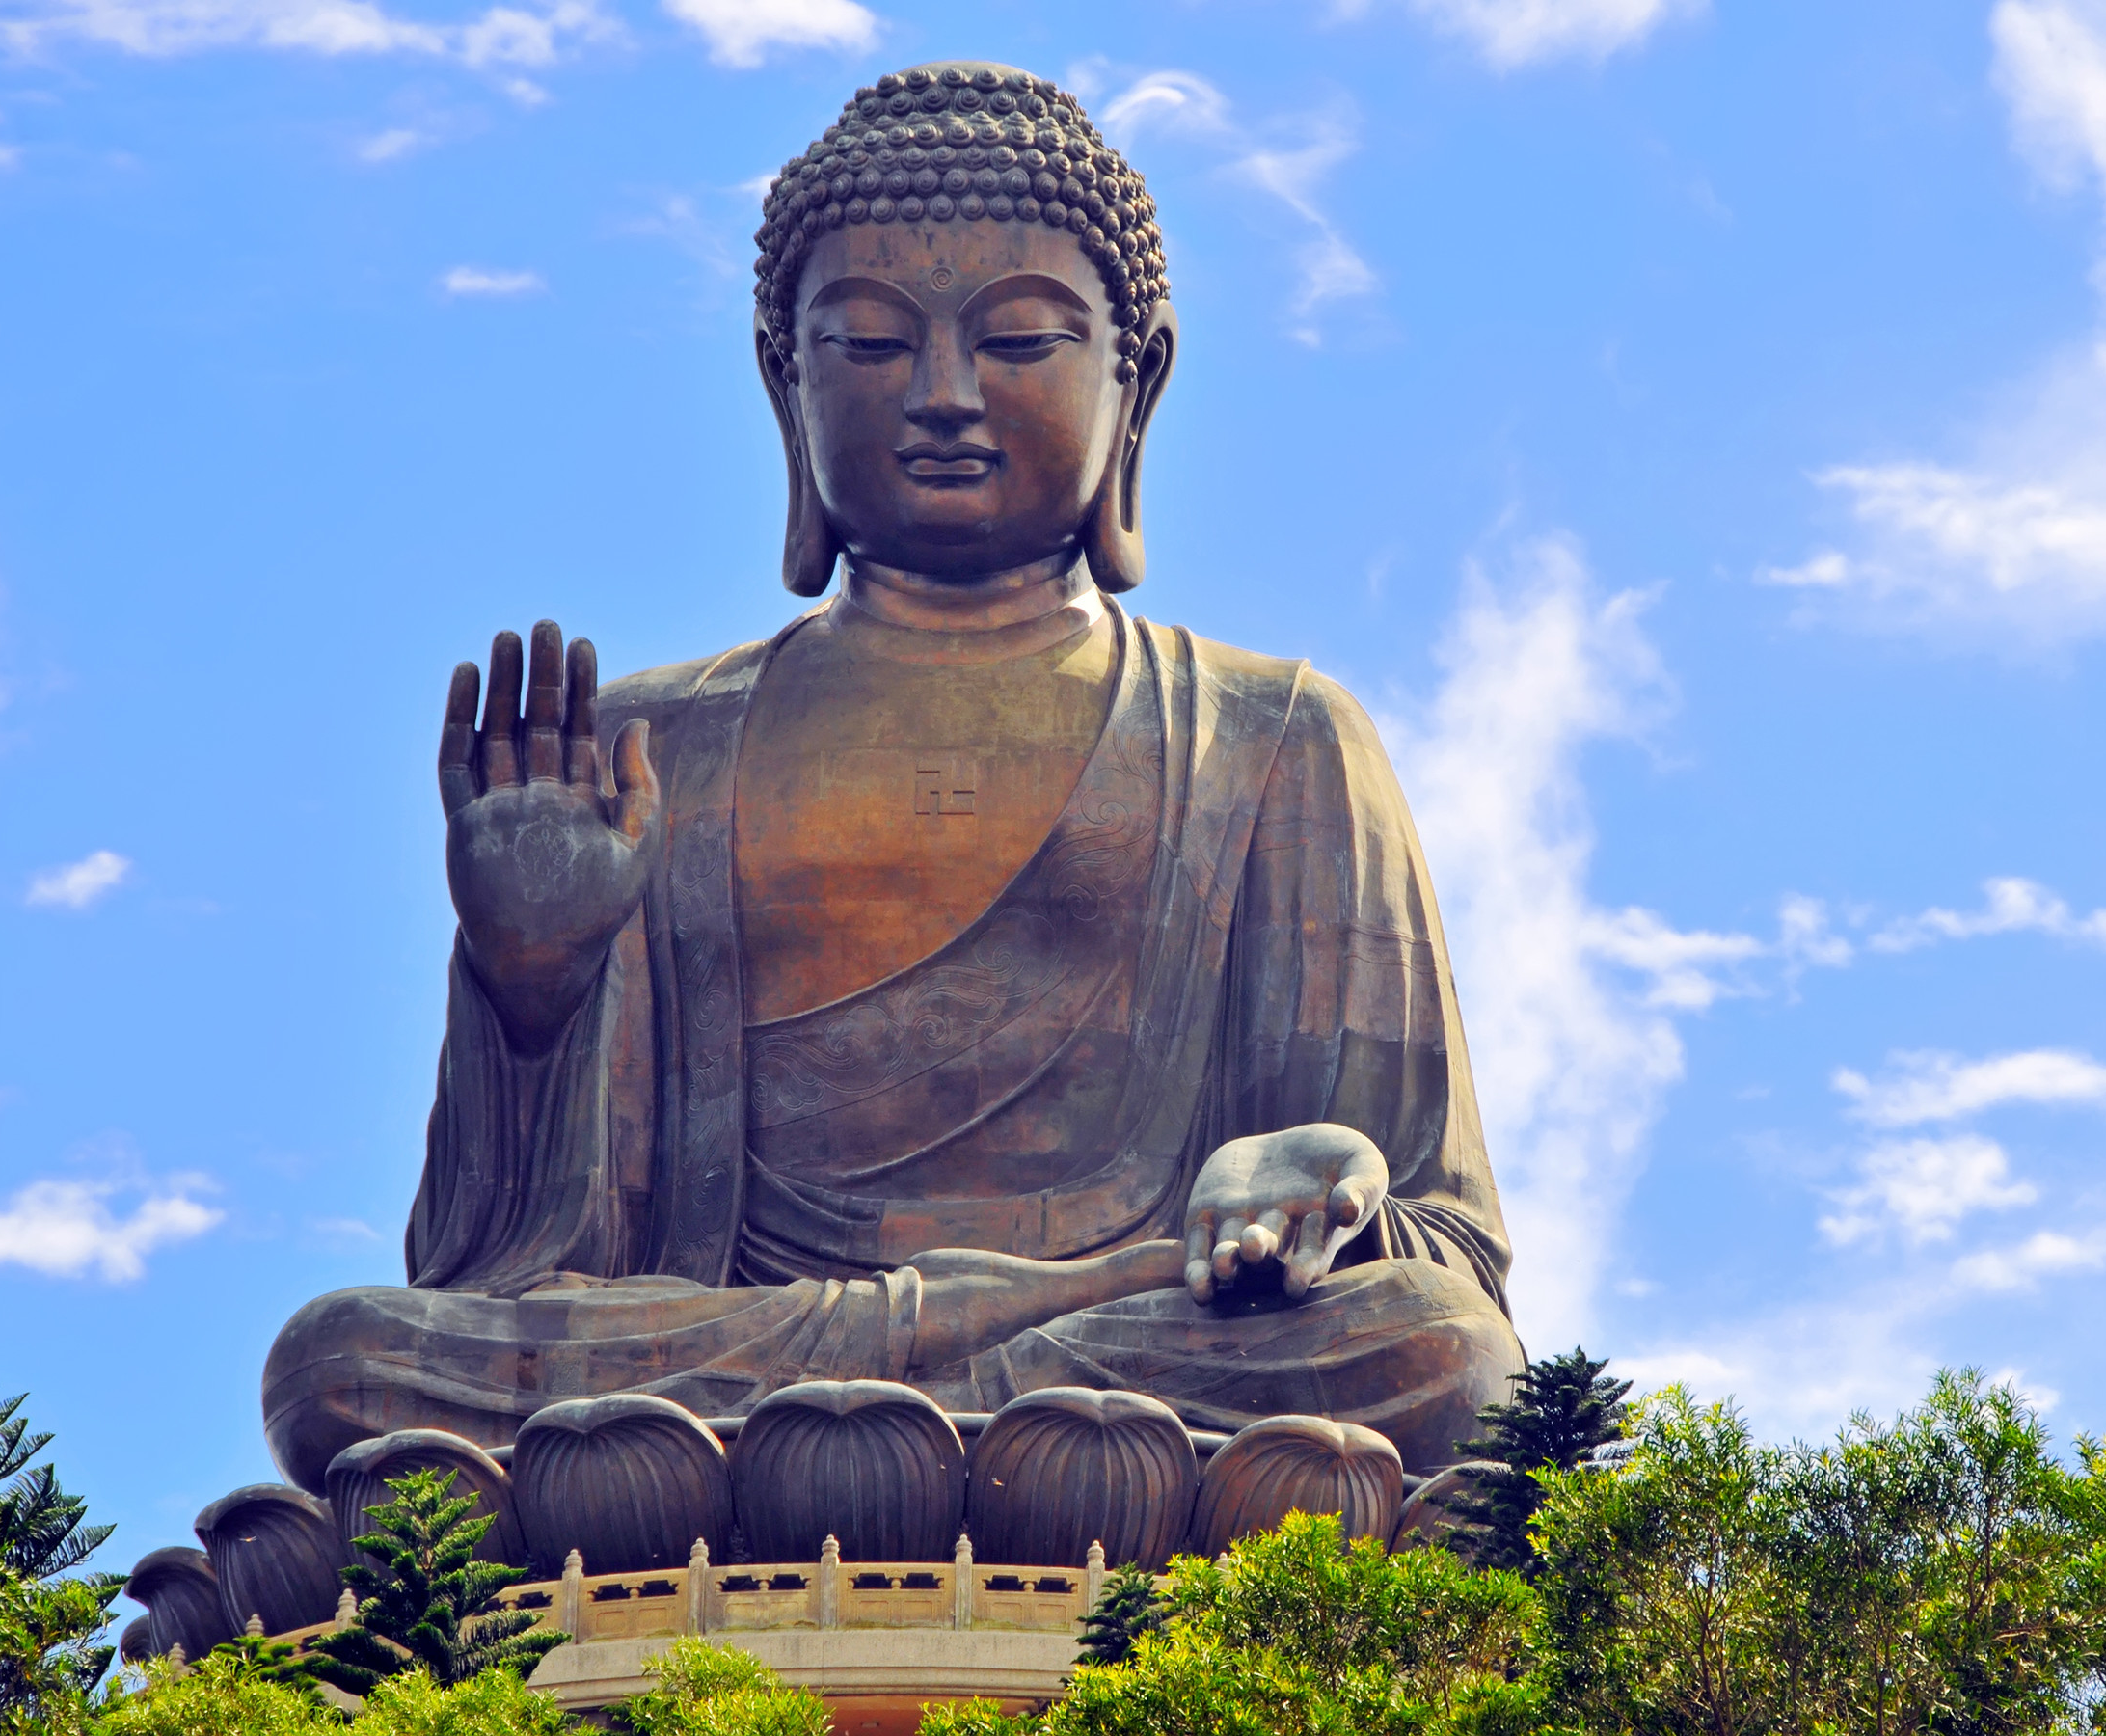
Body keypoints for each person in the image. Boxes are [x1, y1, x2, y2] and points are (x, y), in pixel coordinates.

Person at [262, 62, 1525, 1493]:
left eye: (1020, 342)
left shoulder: (1275, 732)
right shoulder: (646, 746)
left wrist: (1317, 1188)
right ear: (780, 380)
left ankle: (938, 1427)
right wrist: (531, 993)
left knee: (1433, 1351)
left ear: (1140, 375)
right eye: (866, 346)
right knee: (344, 1365)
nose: (940, 397)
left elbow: (1446, 1255)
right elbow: (509, 1276)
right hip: (738, 1360)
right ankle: (940, 1432)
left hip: (1135, 1344)